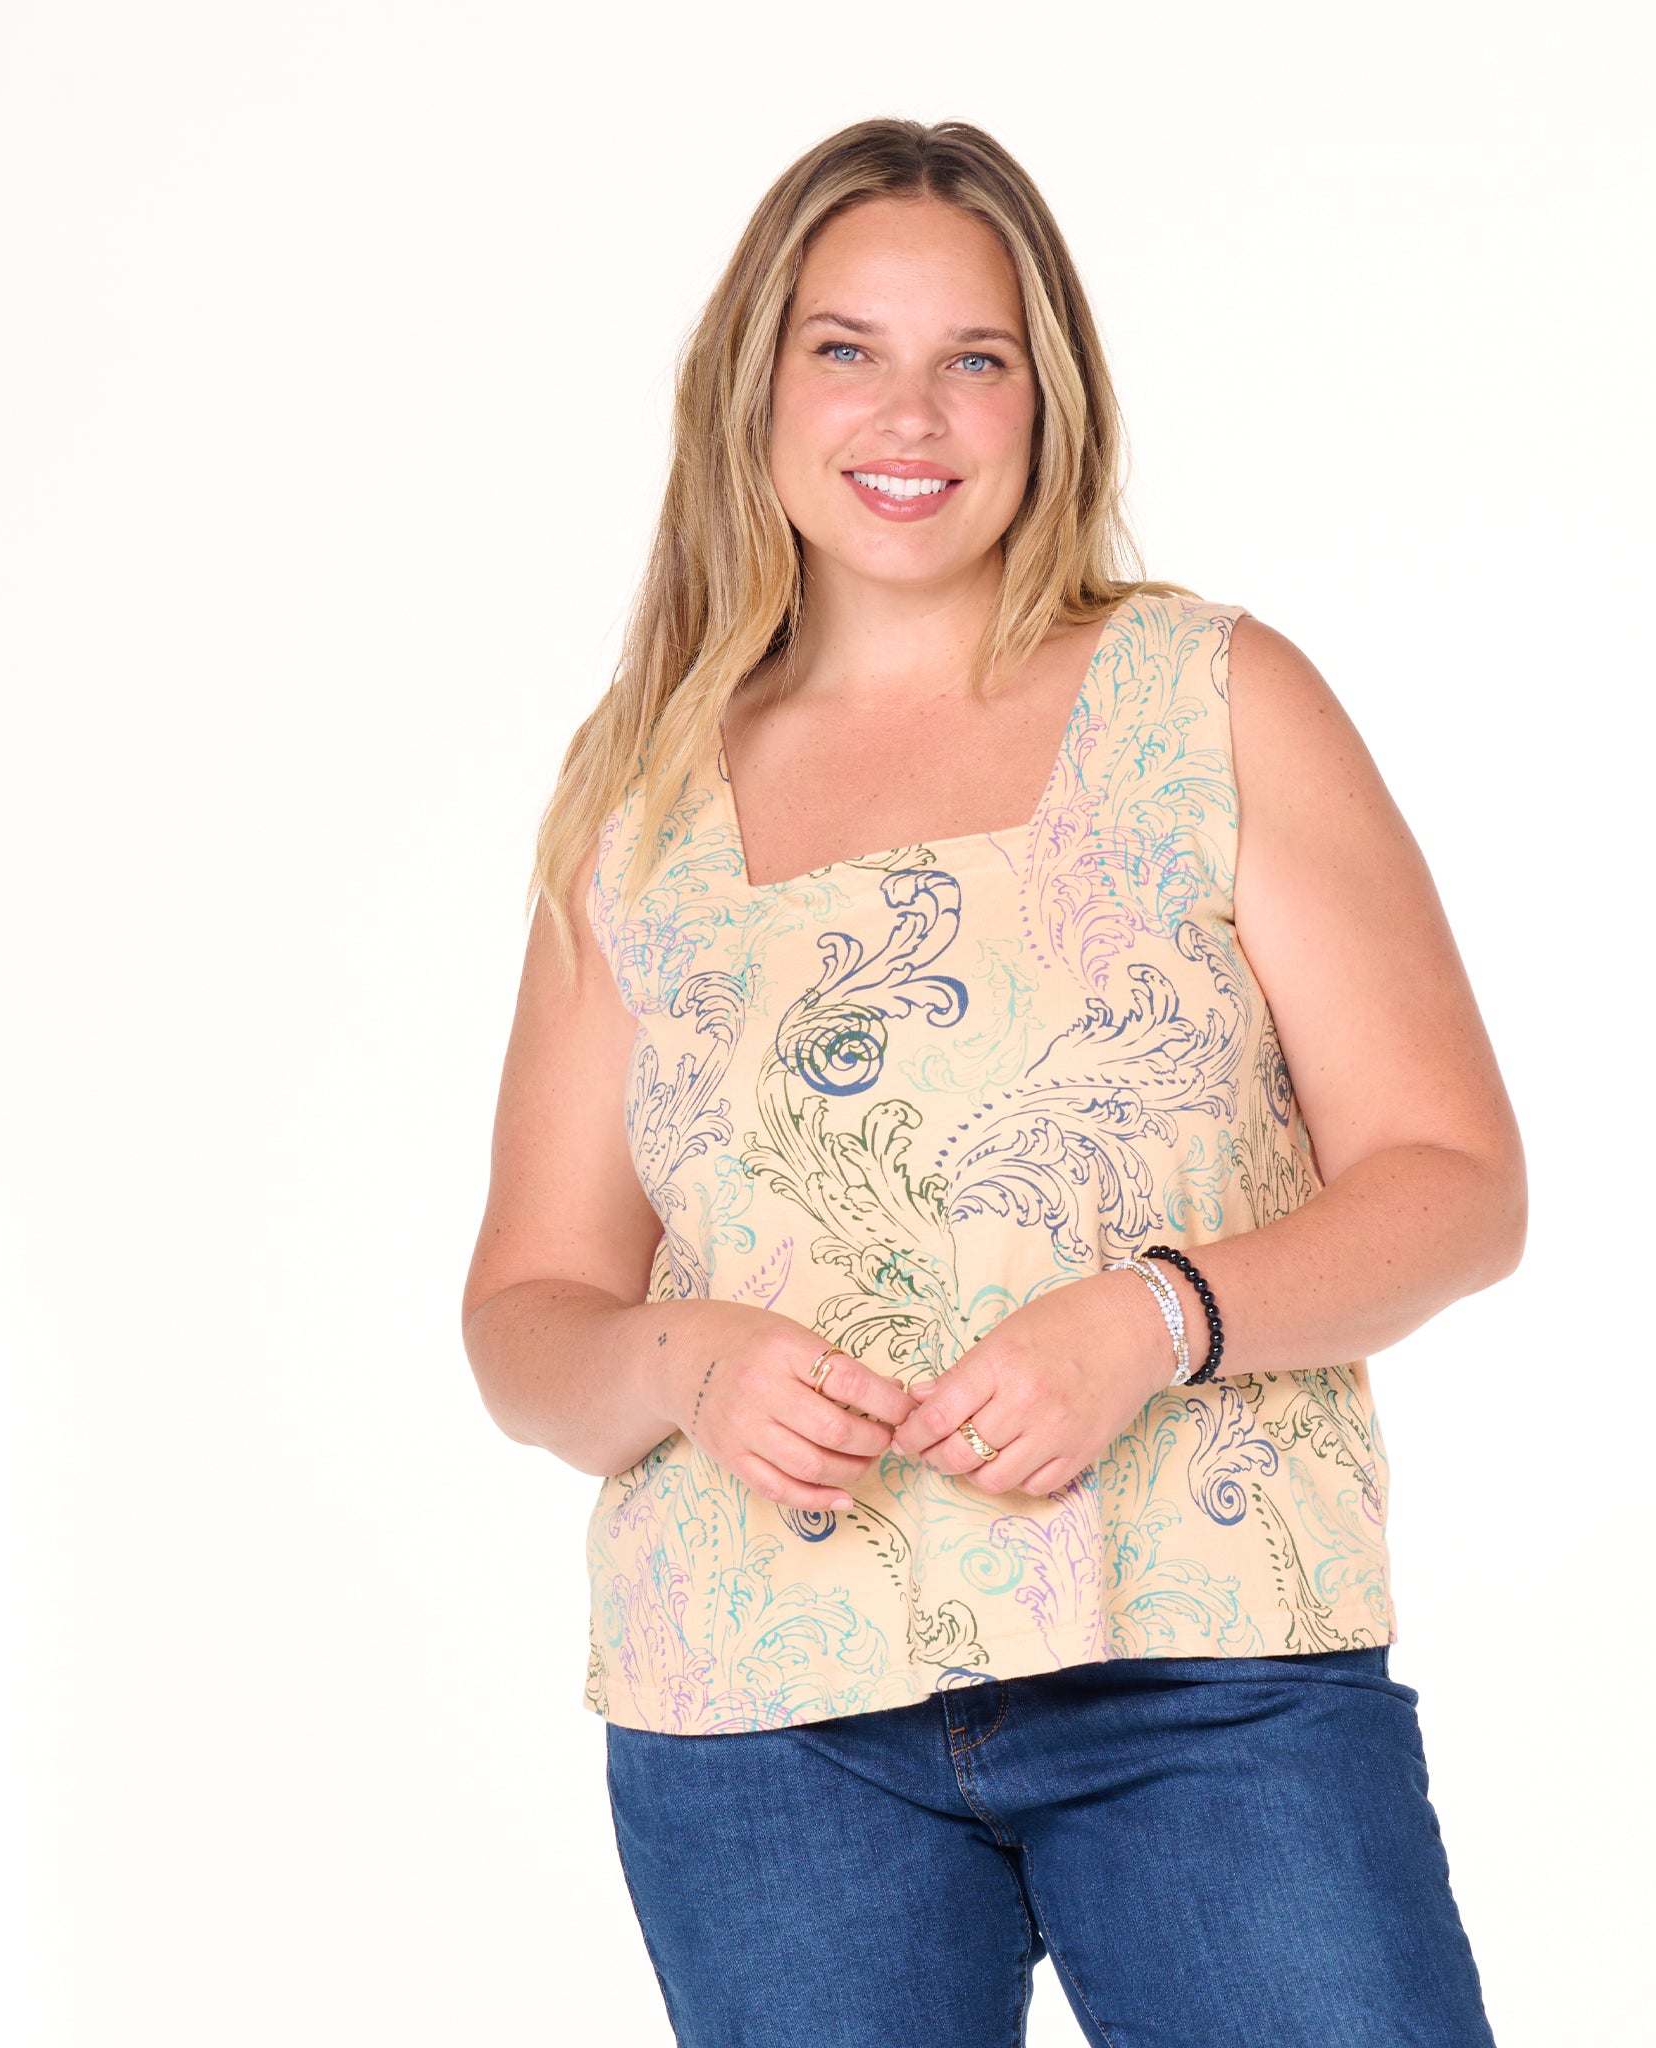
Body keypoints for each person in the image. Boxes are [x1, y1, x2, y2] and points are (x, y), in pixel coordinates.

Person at [463, 115, 1526, 2048]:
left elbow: (1455, 1179)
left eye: (977, 357)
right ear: (754, 388)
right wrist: (684, 1365)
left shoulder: (1207, 698)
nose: (913, 416)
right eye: (846, 349)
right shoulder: (640, 786)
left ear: (1053, 400)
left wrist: (1156, 1319)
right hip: (762, 1718)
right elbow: (528, 1314)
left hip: (1203, 1670)